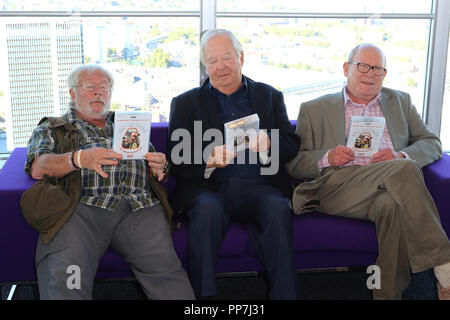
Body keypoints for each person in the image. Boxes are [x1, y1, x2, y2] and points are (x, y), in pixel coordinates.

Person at [287, 43, 450, 300]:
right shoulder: (313, 108)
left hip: (389, 187)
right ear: (346, 68)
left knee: (392, 204)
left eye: (378, 69)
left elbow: (432, 143)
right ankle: (445, 266)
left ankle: (386, 295)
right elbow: (295, 163)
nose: (370, 74)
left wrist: (400, 155)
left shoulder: (401, 102)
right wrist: (328, 157)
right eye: (363, 66)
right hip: (335, 188)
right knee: (404, 170)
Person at [24, 64, 195, 300]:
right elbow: (38, 167)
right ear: (72, 93)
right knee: (67, 280)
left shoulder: (131, 124)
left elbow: (160, 174)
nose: (97, 92)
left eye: (103, 87)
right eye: (89, 86)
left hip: (139, 208)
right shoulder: (55, 127)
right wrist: (80, 158)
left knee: (168, 276)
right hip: (82, 208)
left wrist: (161, 168)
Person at [168, 29, 301, 299]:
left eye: (227, 58)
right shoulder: (185, 103)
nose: (220, 67)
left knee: (278, 208)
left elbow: (291, 144)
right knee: (207, 211)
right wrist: (208, 158)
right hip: (210, 189)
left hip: (261, 187)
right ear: (205, 65)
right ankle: (203, 300)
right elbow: (176, 160)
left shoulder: (270, 96)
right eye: (212, 61)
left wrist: (269, 143)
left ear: (241, 56)